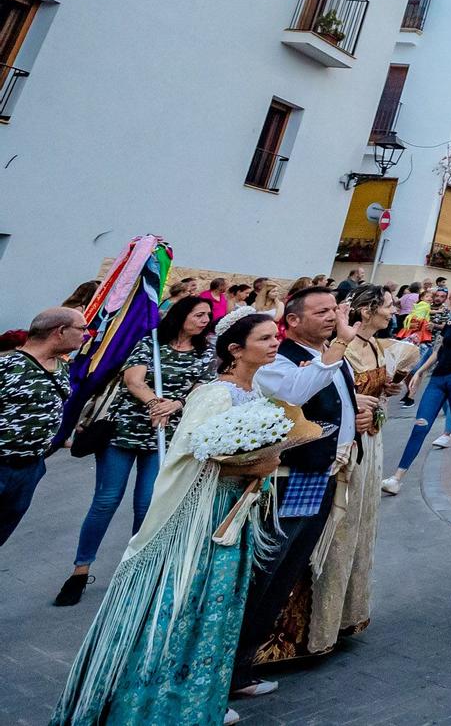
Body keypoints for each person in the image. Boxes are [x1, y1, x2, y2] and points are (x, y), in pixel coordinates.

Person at [51, 309, 288, 726]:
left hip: (233, 513)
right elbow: (192, 457)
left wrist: (265, 460)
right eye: (265, 338)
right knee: (185, 602)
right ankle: (157, 702)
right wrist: (255, 466)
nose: (275, 343)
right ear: (235, 349)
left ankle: (200, 697)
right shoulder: (216, 393)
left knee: (218, 606)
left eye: (276, 336)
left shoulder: (255, 394)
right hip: (202, 516)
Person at [233, 285, 371, 700]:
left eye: (334, 309)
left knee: (289, 566)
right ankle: (234, 665)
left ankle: (244, 664)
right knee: (274, 565)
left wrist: (359, 410)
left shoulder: (325, 353)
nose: (332, 317)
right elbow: (297, 392)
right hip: (298, 475)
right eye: (322, 311)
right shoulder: (281, 359)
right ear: (292, 320)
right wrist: (342, 343)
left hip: (326, 470)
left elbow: (333, 398)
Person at [57, 297, 214, 606]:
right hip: (125, 431)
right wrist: (155, 403)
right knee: (105, 500)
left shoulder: (204, 352)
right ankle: (80, 570)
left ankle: (134, 572)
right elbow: (134, 380)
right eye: (199, 314)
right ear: (181, 316)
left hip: (165, 435)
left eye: (208, 314)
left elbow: (200, 388)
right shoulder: (151, 342)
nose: (205, 319)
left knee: (147, 505)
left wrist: (175, 405)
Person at [381, 289, 451, 496]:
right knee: (421, 425)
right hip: (439, 378)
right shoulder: (450, 324)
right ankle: (397, 478)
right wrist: (420, 371)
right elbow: (440, 350)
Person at [0, 307, 88, 548]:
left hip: (29, 468)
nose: (86, 335)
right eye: (81, 329)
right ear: (60, 331)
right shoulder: (8, 366)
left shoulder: (61, 369)